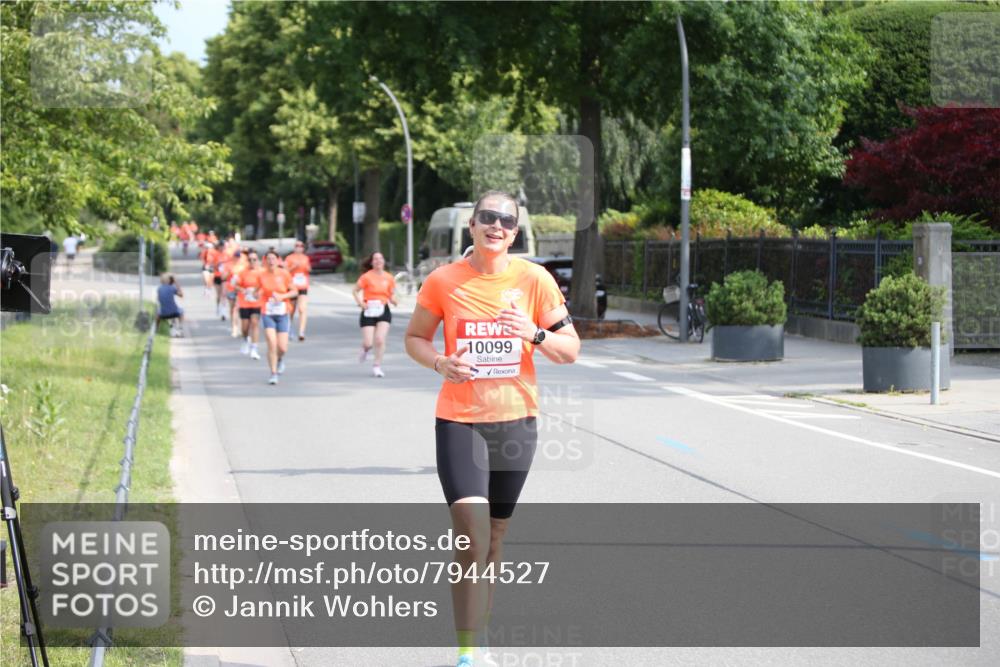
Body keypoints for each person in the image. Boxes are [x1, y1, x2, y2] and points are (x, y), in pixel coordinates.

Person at [405, 190, 580, 667]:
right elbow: (415, 338)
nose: (496, 225)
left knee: (495, 538)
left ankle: (480, 638)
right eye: (488, 217)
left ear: (515, 232)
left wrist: (534, 334)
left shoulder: (535, 279)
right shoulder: (443, 281)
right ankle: (467, 655)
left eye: (506, 220)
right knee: (472, 537)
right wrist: (440, 362)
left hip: (516, 423)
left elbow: (570, 349)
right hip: (460, 422)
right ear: (473, 226)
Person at [353, 252, 398, 378]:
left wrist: (394, 300)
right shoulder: (366, 277)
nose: (378, 261)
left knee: (379, 339)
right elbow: (355, 291)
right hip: (368, 310)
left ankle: (377, 366)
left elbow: (392, 293)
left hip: (383, 309)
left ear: (384, 261)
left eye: (380, 258)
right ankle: (365, 349)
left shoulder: (389, 277)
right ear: (372, 262)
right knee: (368, 343)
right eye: (375, 259)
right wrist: (360, 303)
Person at [259, 249, 298, 385]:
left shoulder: (284, 274)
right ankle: (273, 373)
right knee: (271, 342)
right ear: (265, 261)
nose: (271, 261)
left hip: (282, 313)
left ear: (278, 260)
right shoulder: (261, 275)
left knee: (282, 348)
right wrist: (255, 293)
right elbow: (256, 289)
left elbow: (294, 292)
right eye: (268, 259)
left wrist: (282, 296)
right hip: (267, 312)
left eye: (273, 259)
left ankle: (279, 359)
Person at [234, 250, 264, 360]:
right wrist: (243, 290)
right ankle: (246, 339)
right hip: (244, 302)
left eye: (254, 259)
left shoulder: (262, 272)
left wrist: (258, 292)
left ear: (258, 260)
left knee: (255, 323)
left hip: (257, 302)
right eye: (250, 260)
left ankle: (254, 349)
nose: (252, 262)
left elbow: (265, 285)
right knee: (245, 327)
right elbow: (235, 285)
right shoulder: (243, 272)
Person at [284, 241, 312, 341]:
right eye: (297, 246)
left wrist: (308, 268)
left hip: (303, 286)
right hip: (292, 287)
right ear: (294, 247)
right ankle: (288, 329)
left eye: (301, 246)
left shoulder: (306, 258)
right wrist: (293, 267)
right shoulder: (289, 258)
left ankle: (301, 332)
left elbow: (309, 269)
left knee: (302, 309)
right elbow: (285, 271)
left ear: (303, 248)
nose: (299, 247)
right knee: (291, 310)